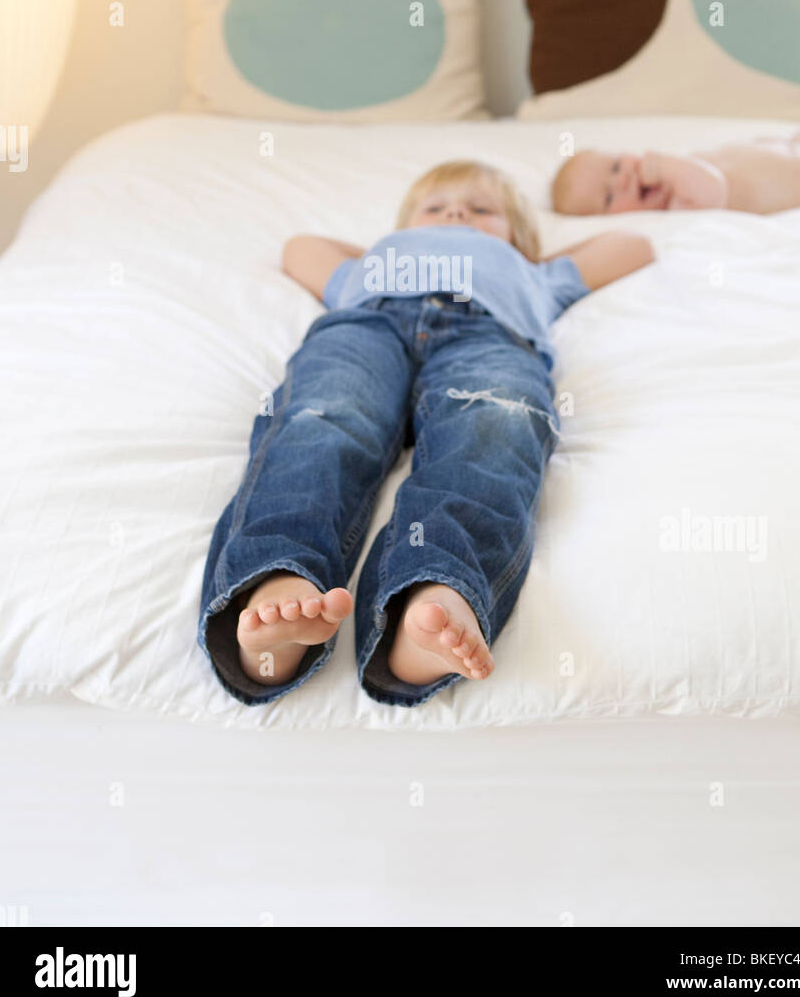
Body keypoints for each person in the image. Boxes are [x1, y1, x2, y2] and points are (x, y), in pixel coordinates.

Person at [197, 159, 653, 708]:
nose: (456, 213)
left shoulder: (530, 272)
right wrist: (394, 244)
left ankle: (432, 596)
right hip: (369, 326)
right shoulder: (370, 265)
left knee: (492, 432)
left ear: (518, 237)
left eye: (482, 210)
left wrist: (523, 257)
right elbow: (301, 246)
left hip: (487, 334)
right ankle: (277, 578)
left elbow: (633, 244)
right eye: (435, 208)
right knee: (324, 419)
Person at [552, 122, 800, 216]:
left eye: (616, 166)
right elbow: (714, 188)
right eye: (608, 197)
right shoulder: (680, 204)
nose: (623, 179)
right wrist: (668, 165)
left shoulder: (681, 164)